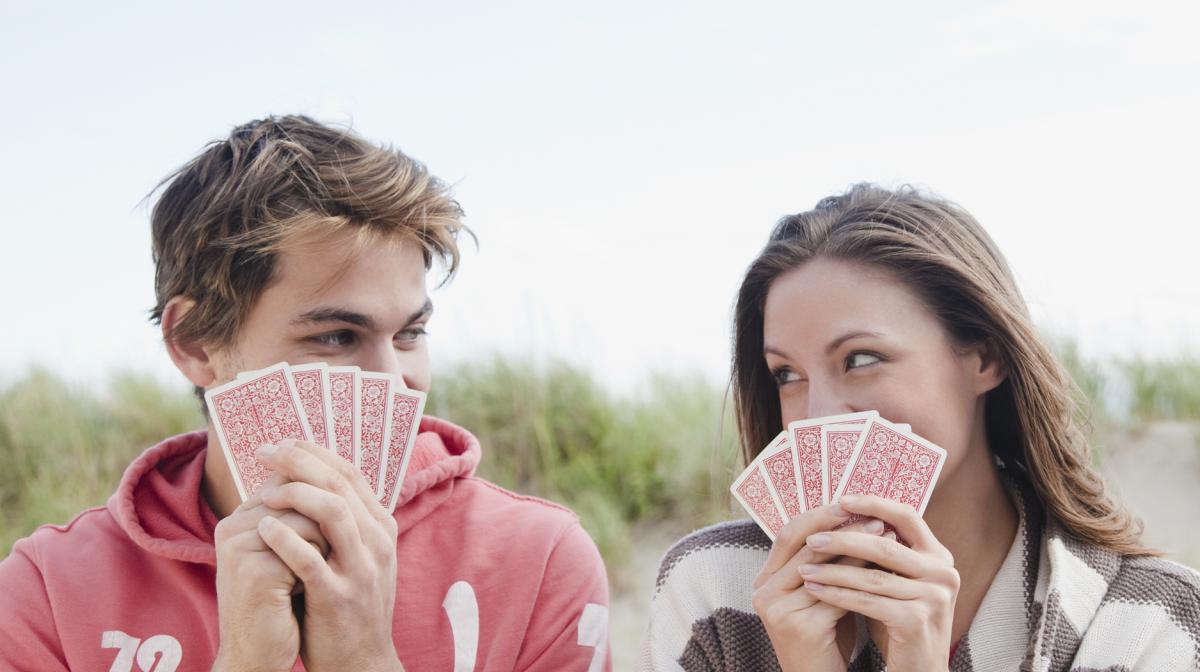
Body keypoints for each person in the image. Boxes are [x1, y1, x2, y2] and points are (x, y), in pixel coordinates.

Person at [0, 116, 611, 672]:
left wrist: (363, 658)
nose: (393, 382)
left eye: (411, 333)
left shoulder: (537, 563)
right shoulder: (48, 592)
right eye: (338, 335)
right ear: (194, 343)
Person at [639, 183, 1200, 671]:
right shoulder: (712, 593)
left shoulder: (1152, 623)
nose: (816, 418)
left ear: (984, 357)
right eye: (787, 374)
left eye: (860, 359)